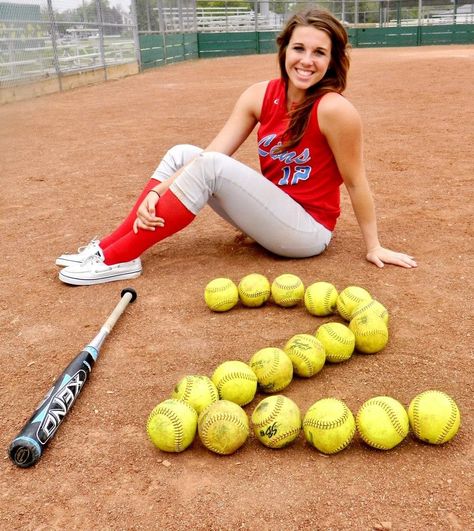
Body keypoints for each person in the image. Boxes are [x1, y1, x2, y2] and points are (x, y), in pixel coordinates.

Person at [56, 8, 417, 286]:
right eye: (299, 48)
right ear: (284, 50)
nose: (307, 60)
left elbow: (356, 182)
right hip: (272, 216)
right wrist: (162, 189)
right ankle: (108, 249)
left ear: (332, 60)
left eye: (319, 53)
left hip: (308, 231)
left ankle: (120, 257)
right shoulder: (258, 95)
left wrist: (374, 246)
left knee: (209, 165)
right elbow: (213, 151)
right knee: (184, 153)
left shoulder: (336, 110)